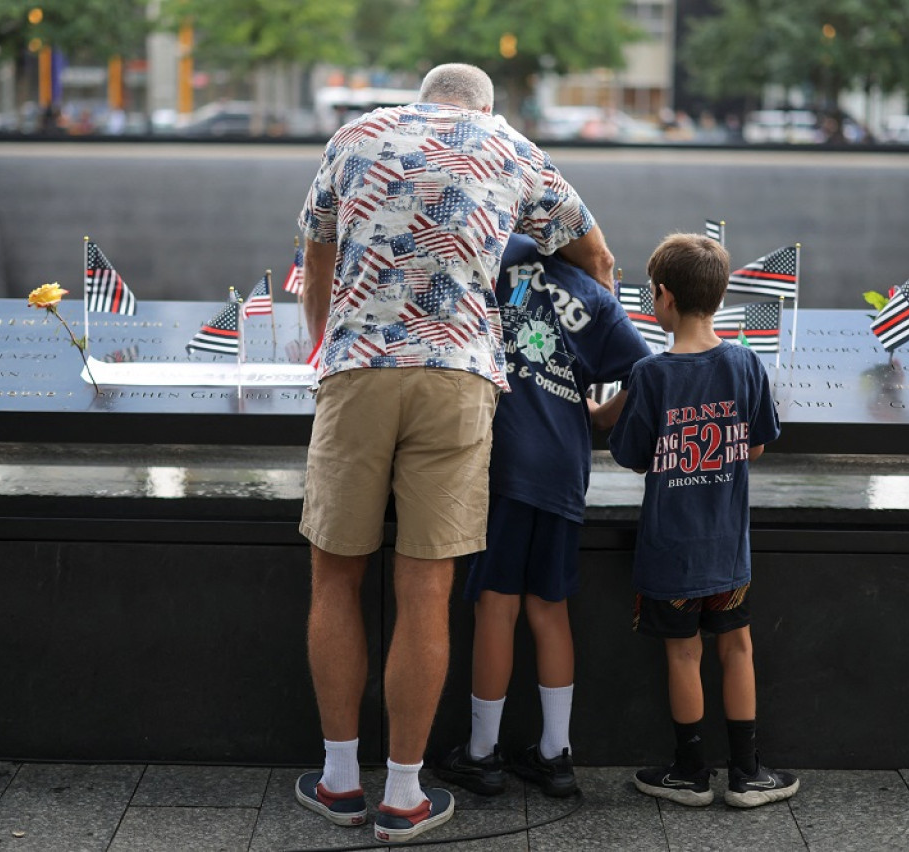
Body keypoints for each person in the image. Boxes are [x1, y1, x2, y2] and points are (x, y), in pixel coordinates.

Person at [294, 63, 614, 843]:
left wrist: (322, 344)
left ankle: (340, 781)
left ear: (423, 97)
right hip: (459, 377)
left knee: (336, 577)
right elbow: (597, 261)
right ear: (484, 106)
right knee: (427, 590)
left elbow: (317, 259)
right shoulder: (513, 149)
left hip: (359, 369)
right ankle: (404, 796)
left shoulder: (356, 134)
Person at [433, 234, 650, 800]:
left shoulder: (494, 254)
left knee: (495, 607)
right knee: (550, 608)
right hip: (563, 468)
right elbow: (648, 372)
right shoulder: (593, 293)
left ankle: (482, 755)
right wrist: (602, 416)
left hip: (502, 464)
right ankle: (556, 755)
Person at [607, 233, 797, 809]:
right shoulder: (743, 363)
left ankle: (690, 773)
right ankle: (747, 773)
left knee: (682, 654)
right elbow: (757, 446)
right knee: (737, 648)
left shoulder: (650, 373)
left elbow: (633, 454)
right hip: (727, 550)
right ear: (717, 297)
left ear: (662, 297)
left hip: (669, 551)